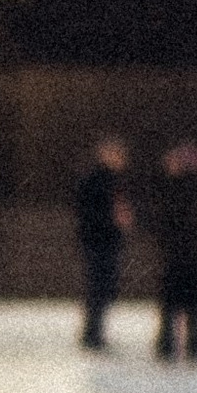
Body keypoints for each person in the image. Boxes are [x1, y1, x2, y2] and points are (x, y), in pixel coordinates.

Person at [149, 139, 197, 363]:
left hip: (176, 254)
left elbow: (164, 221)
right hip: (193, 253)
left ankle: (168, 345)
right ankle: (193, 346)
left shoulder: (174, 189)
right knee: (193, 304)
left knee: (171, 302)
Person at [74, 134, 132, 350]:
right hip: (99, 241)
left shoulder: (112, 180)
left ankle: (94, 332)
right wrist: (113, 218)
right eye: (116, 154)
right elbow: (88, 212)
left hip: (105, 240)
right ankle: (92, 334)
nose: (121, 159)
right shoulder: (97, 180)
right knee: (99, 288)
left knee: (103, 288)